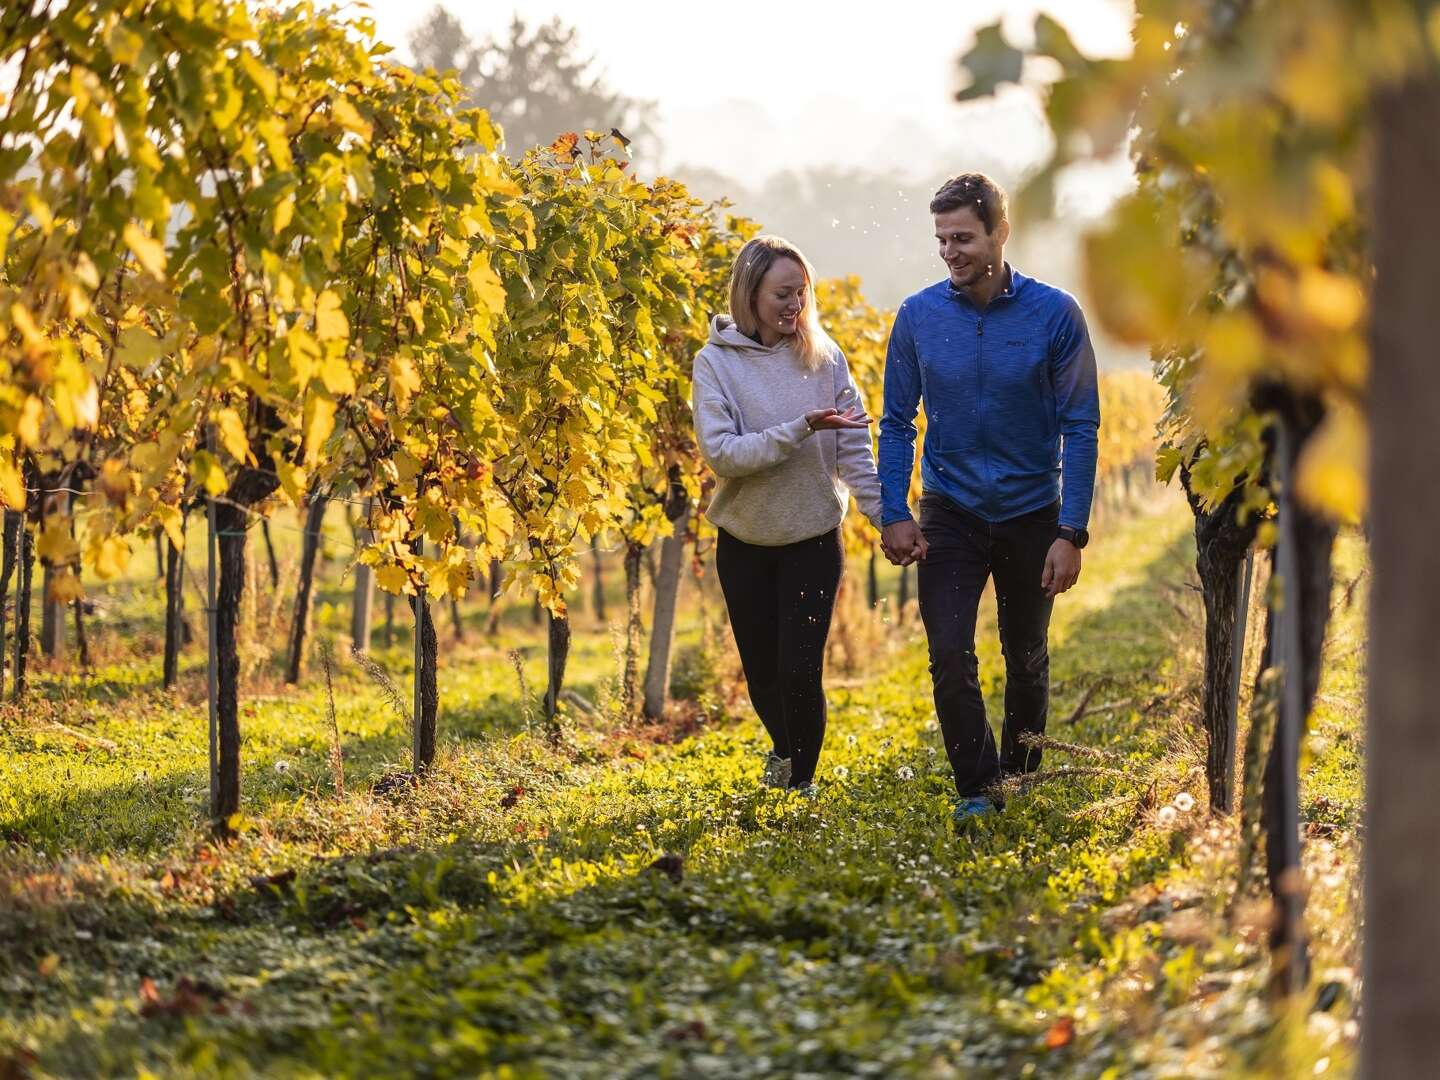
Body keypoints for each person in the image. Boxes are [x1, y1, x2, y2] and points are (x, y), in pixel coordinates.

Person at [878, 173, 1101, 823]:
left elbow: (1080, 426)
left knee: (1025, 655)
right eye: (942, 239)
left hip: (1033, 509)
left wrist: (1072, 530)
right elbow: (895, 423)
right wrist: (895, 509)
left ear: (1001, 233)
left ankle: (1020, 775)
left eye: (964, 238)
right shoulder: (918, 317)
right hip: (949, 508)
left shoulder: (1055, 314)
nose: (950, 251)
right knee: (949, 652)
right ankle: (978, 787)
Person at [692, 235, 884, 796]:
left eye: (801, 293)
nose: (794, 306)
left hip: (812, 538)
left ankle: (800, 784)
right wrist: (800, 428)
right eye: (782, 294)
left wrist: (886, 519)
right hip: (745, 540)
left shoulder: (825, 358)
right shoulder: (715, 364)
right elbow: (722, 453)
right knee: (764, 678)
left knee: (800, 672)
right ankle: (784, 748)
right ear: (748, 294)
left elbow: (854, 452)